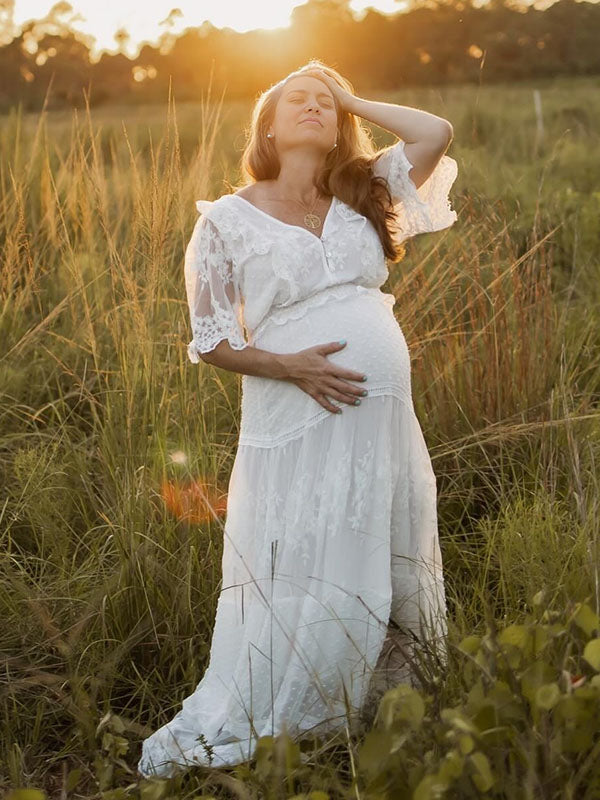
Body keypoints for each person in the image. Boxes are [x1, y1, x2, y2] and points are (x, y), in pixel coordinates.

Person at [138, 60, 458, 779]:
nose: (313, 106)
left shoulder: (365, 190)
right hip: (295, 414)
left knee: (379, 541)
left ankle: (383, 696)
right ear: (269, 125)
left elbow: (435, 131)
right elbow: (212, 340)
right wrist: (296, 366)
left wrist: (346, 95)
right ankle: (303, 706)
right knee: (306, 549)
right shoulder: (226, 219)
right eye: (297, 100)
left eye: (325, 102)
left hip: (381, 425)